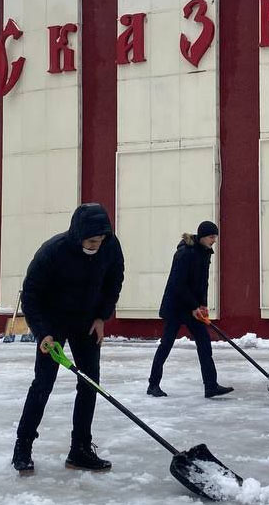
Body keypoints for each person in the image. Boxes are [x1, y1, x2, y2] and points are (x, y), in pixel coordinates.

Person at [12, 203, 125, 475]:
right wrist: (43, 332)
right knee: (43, 383)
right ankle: (23, 446)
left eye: (99, 240)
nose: (95, 245)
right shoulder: (53, 252)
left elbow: (114, 281)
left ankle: (80, 449)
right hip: (53, 322)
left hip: (86, 321)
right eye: (90, 241)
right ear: (78, 236)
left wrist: (101, 317)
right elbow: (30, 294)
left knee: (90, 383)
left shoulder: (110, 246)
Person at [146, 221, 234, 399]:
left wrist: (202, 304)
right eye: (211, 237)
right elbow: (178, 284)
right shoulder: (185, 253)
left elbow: (203, 283)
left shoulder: (205, 253)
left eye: (215, 237)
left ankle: (211, 386)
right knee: (166, 345)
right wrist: (194, 306)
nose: (214, 240)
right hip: (176, 306)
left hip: (192, 306)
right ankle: (153, 385)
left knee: (204, 343)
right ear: (202, 236)